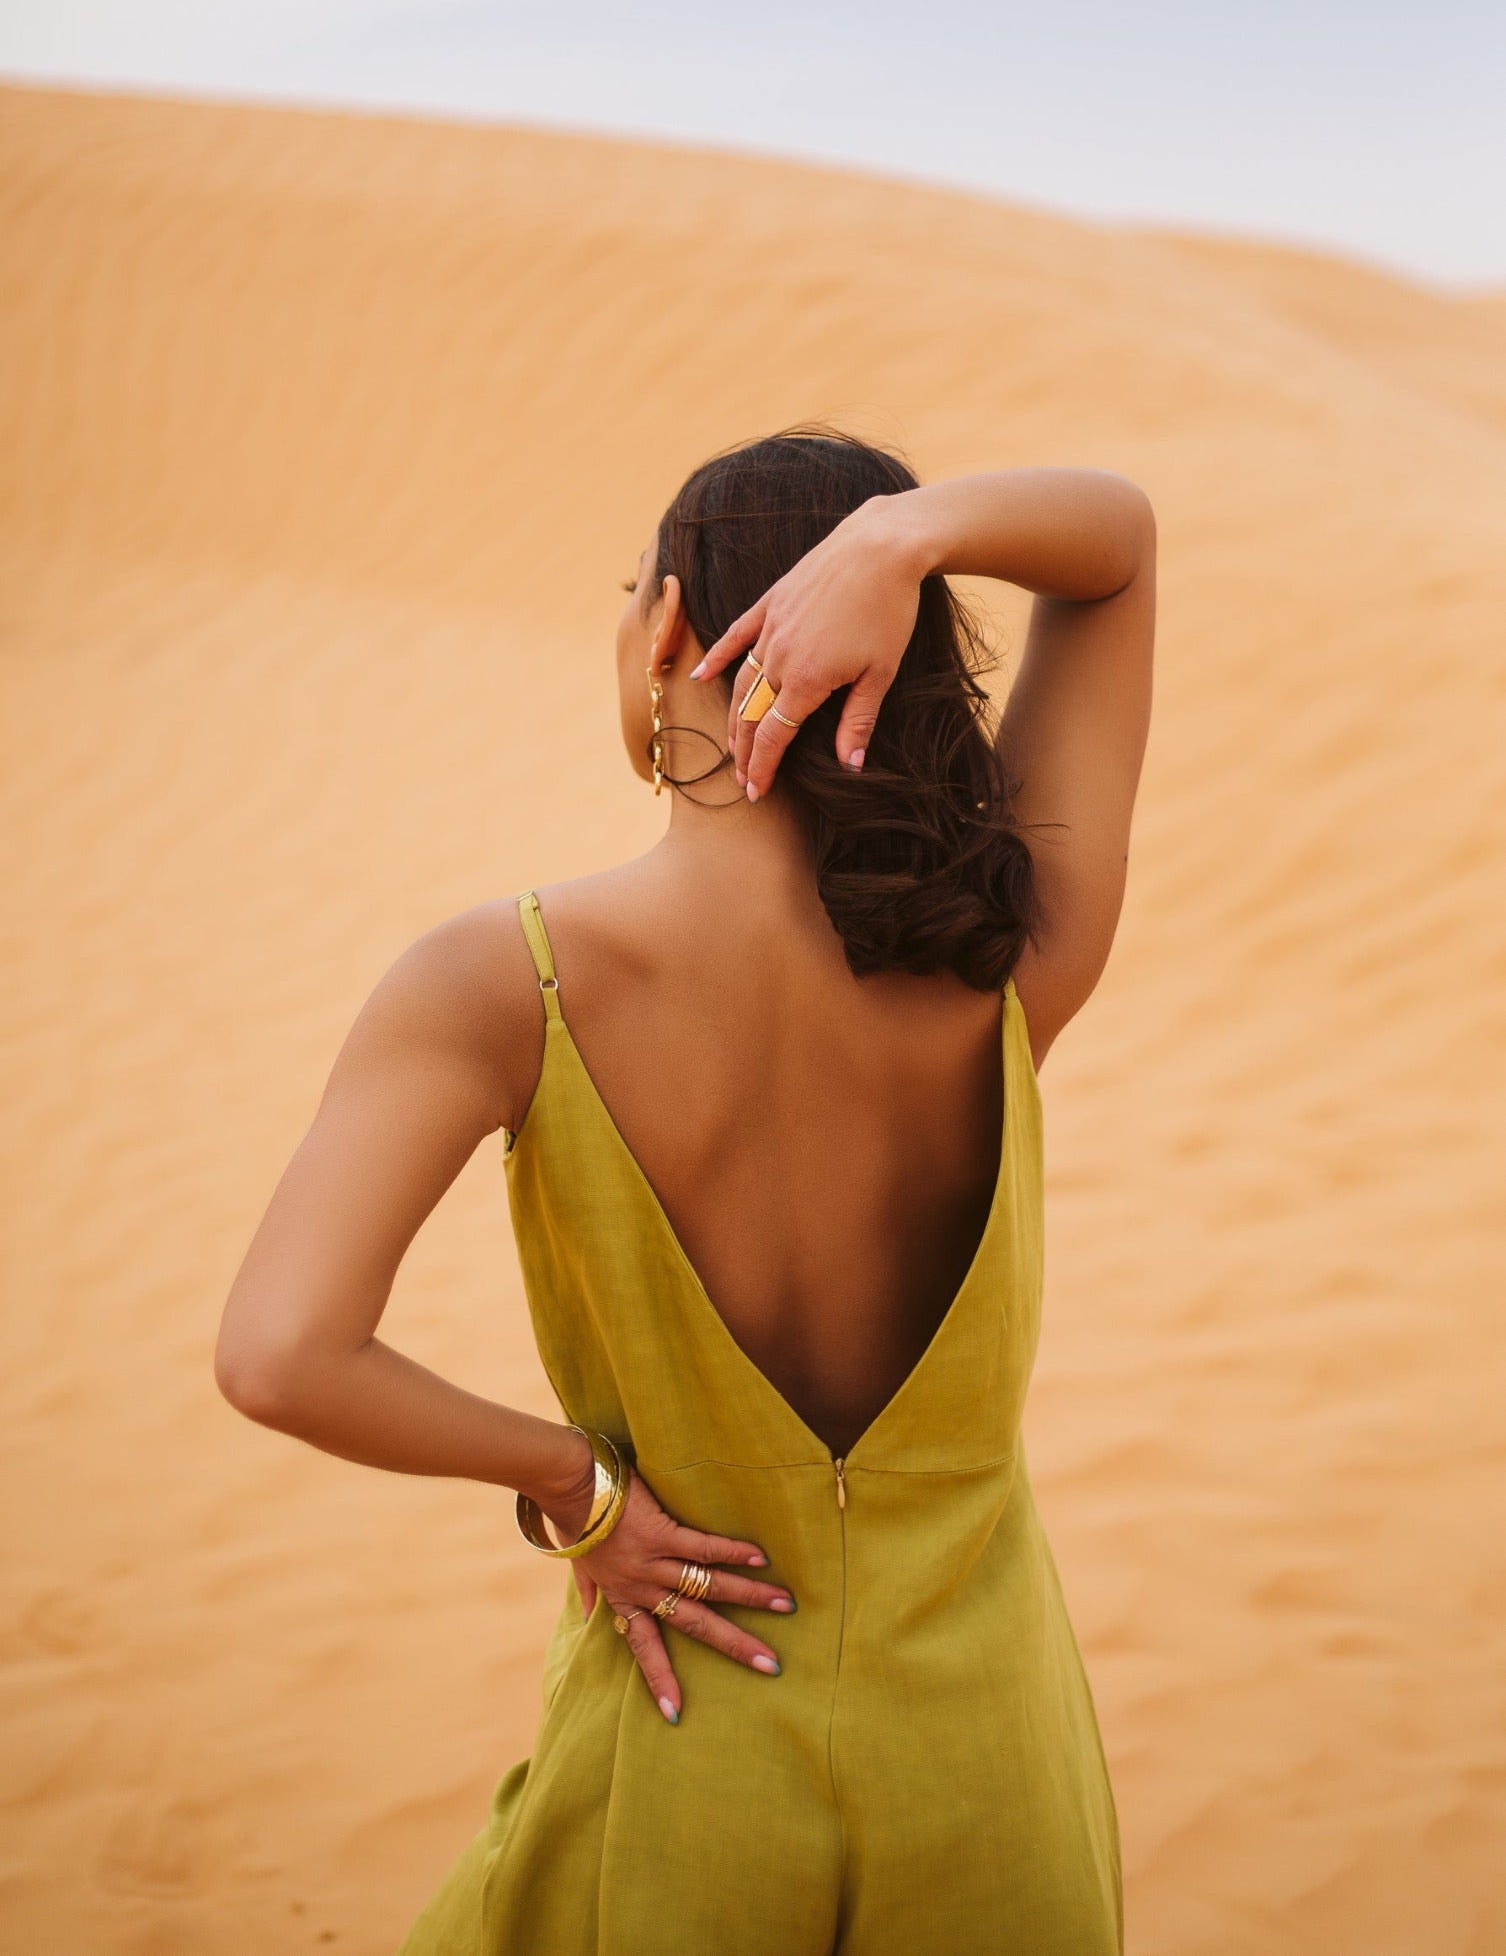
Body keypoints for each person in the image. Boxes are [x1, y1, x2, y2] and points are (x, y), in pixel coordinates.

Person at [216, 429, 1155, 1954]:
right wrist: (903, 544)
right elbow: (1114, 543)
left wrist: (571, 1486)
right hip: (989, 1774)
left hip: (688, 1752)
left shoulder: (503, 983)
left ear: (662, 631)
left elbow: (278, 1355)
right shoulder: (1008, 961)